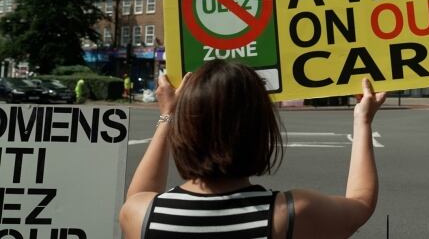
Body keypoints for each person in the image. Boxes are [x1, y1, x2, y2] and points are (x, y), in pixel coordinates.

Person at [119, 59, 386, 238]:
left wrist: (168, 115)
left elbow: (138, 194)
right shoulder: (290, 214)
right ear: (261, 130)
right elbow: (361, 203)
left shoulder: (142, 216)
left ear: (185, 131)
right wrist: (362, 119)